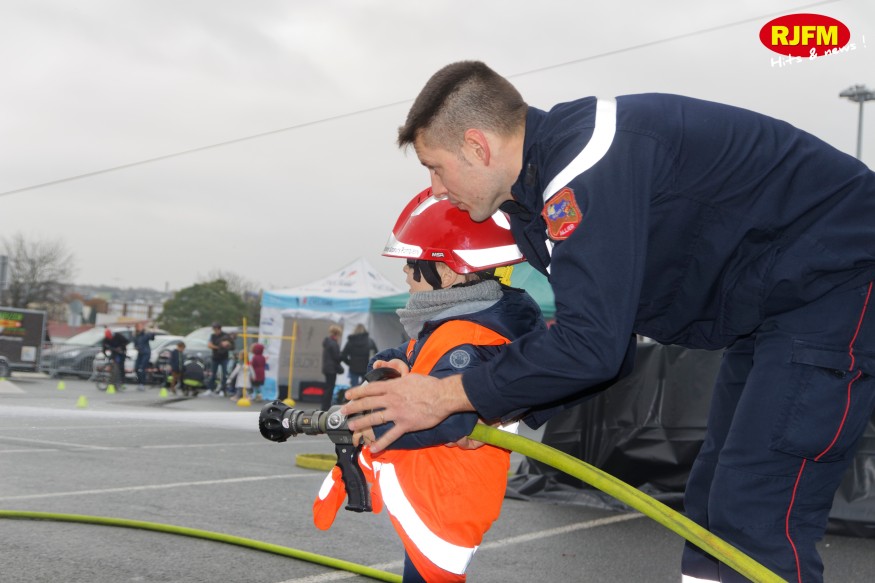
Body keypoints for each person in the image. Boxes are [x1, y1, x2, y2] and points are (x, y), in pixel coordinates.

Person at [342, 61, 875, 583]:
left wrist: (445, 396)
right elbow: (610, 349)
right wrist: (494, 409)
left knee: (757, 504)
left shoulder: (584, 171)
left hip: (837, 277)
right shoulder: (536, 205)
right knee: (713, 499)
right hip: (772, 305)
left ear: (478, 147)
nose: (436, 188)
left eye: (435, 167)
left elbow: (591, 345)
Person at [314, 187, 544, 582]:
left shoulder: (467, 336)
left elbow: (446, 415)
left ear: (449, 273)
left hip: (444, 498)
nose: (405, 273)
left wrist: (371, 428)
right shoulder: (459, 324)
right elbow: (412, 355)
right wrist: (390, 365)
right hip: (439, 488)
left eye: (412, 263)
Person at [340, 323, 378, 388]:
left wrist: (350, 363)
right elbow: (376, 355)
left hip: (353, 368)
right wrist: (370, 364)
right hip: (365, 368)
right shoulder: (370, 341)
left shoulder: (350, 342)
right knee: (364, 389)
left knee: (354, 389)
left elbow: (343, 356)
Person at [320, 324, 343, 410]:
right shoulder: (333, 343)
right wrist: (342, 355)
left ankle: (325, 406)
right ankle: (326, 407)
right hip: (331, 369)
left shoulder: (327, 342)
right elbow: (337, 357)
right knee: (330, 389)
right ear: (337, 334)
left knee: (327, 388)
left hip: (327, 368)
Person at [207, 322, 232, 396]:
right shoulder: (212, 336)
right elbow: (209, 345)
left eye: (215, 329)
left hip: (224, 357)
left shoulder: (225, 335)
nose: (214, 330)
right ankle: (210, 389)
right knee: (213, 374)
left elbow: (229, 344)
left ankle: (223, 390)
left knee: (224, 374)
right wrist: (218, 347)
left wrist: (225, 345)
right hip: (215, 357)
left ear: (219, 329)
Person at [132, 322, 157, 391]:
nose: (139, 328)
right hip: (140, 353)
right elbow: (135, 344)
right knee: (136, 368)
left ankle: (142, 384)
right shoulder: (136, 335)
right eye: (138, 326)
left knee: (142, 368)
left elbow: (152, 338)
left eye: (140, 326)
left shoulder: (145, 333)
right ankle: (139, 383)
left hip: (146, 353)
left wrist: (153, 331)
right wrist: (136, 347)